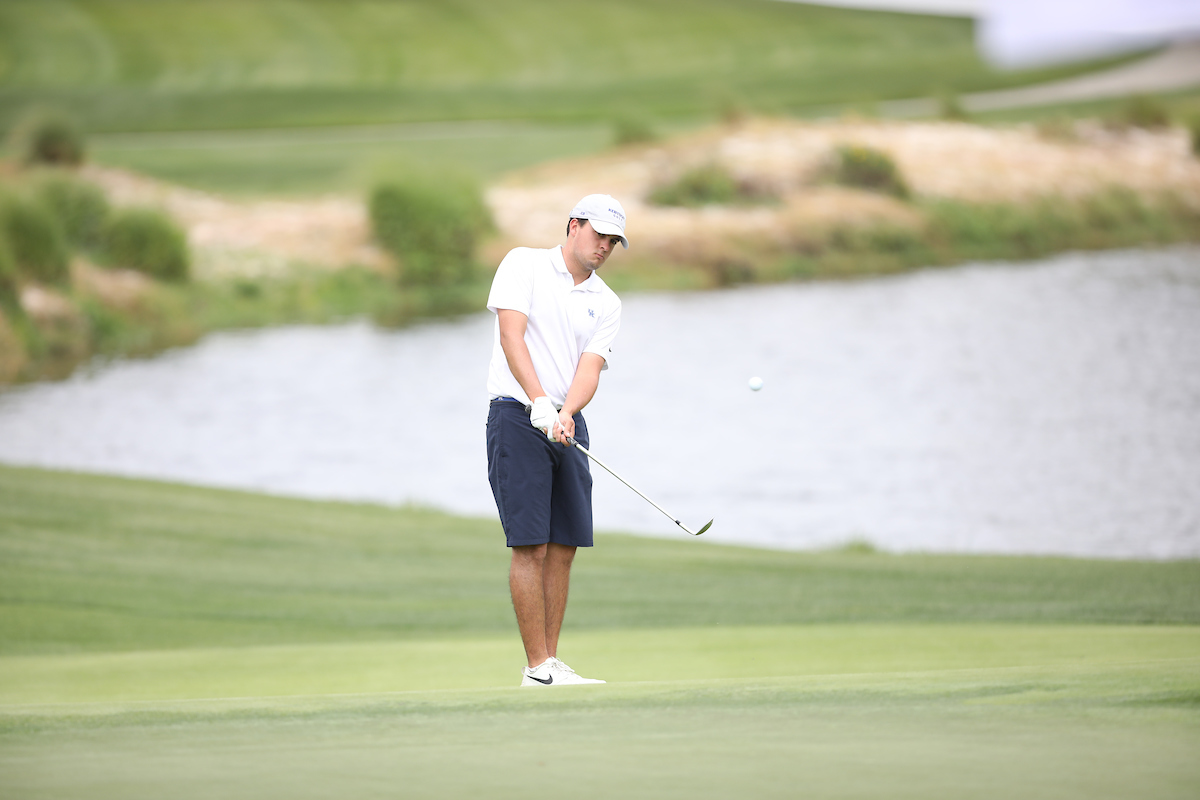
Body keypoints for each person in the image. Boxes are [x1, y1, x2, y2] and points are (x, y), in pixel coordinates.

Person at [485, 194, 628, 687]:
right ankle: (537, 666)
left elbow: (590, 369)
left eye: (612, 241)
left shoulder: (606, 302)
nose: (604, 246)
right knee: (531, 545)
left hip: (567, 423)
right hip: (517, 415)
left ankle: (549, 660)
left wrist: (566, 412)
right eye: (598, 235)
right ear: (574, 226)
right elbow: (511, 335)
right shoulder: (523, 264)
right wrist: (539, 401)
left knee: (564, 544)